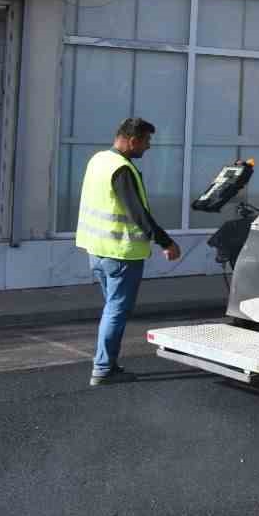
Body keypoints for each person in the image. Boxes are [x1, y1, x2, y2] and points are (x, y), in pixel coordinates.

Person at [76, 118, 181, 386]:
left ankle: (106, 363)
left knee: (111, 308)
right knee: (116, 311)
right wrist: (166, 242)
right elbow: (138, 214)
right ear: (132, 140)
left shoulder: (98, 160)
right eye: (146, 141)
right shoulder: (122, 169)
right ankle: (103, 368)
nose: (148, 147)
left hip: (96, 250)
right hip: (121, 254)